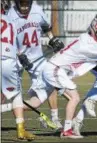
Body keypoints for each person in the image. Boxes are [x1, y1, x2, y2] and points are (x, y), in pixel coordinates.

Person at [31, 12, 97, 138]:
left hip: (56, 69)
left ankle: (9, 107)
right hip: (55, 70)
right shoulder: (91, 47)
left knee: (34, 103)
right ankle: (66, 130)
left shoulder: (87, 38)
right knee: (75, 98)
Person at [1, 0, 64, 129]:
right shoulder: (10, 15)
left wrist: (52, 39)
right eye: (22, 4)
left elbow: (46, 27)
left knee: (50, 81)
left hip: (36, 57)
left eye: (27, 4)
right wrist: (19, 54)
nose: (25, 7)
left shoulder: (37, 10)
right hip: (15, 57)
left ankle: (55, 118)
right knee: (5, 90)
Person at [1, 0, 35, 140]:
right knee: (16, 95)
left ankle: (21, 129)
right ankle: (20, 129)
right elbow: (17, 46)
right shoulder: (10, 20)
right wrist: (23, 58)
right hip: (8, 61)